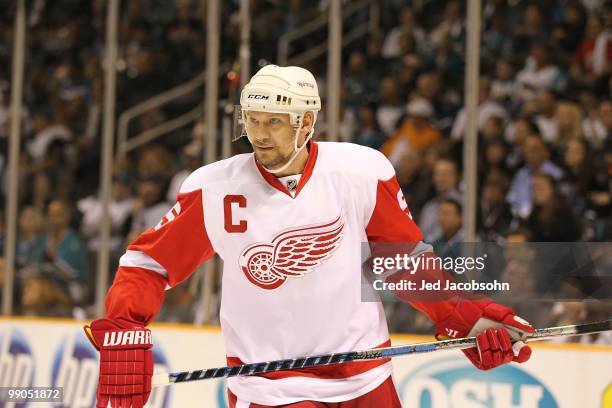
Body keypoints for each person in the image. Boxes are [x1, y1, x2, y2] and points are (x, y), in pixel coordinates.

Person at [84, 65, 534, 408]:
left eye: (274, 122)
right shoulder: (213, 188)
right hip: (269, 388)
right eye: (253, 120)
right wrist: (126, 324)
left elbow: (401, 262)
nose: (259, 135)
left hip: (365, 379)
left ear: (306, 122)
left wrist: (463, 317)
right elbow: (148, 263)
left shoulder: (361, 171)